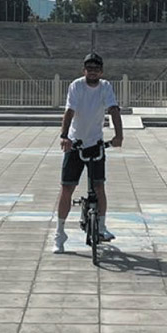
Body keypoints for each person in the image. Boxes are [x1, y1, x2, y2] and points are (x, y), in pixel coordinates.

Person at [54, 51, 123, 254]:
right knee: (67, 188)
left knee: (99, 186)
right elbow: (69, 112)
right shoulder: (76, 86)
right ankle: (59, 233)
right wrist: (64, 136)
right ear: (84, 70)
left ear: (101, 72)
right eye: (89, 68)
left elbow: (114, 110)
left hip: (95, 143)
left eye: (96, 69)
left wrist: (119, 136)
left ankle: (101, 226)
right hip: (76, 144)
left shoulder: (105, 87)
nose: (92, 72)